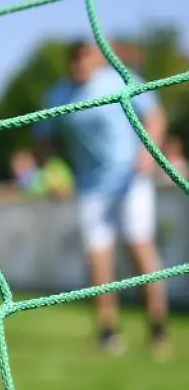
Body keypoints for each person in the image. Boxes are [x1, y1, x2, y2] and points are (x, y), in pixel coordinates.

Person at [34, 39, 170, 358]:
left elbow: (156, 115)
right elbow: (43, 139)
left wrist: (148, 153)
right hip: (91, 186)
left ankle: (157, 326)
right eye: (75, 60)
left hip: (131, 179)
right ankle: (108, 330)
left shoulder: (120, 79)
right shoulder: (59, 95)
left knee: (140, 248)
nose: (81, 65)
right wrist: (52, 172)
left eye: (87, 59)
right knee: (97, 255)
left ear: (97, 59)